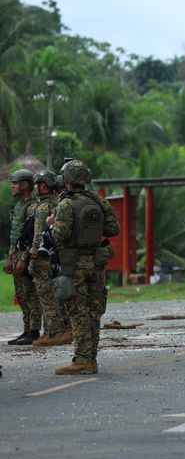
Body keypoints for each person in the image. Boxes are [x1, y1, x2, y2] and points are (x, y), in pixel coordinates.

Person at [47, 160, 120, 375]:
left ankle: (82, 360)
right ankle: (92, 359)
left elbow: (60, 234)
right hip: (97, 264)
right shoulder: (99, 202)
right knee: (93, 312)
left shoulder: (66, 204)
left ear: (66, 180)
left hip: (74, 265)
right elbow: (114, 229)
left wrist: (51, 225)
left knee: (78, 313)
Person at [29, 170, 72, 347]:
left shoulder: (42, 207)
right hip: (58, 257)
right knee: (57, 295)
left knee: (46, 296)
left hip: (43, 257)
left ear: (43, 185)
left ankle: (53, 332)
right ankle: (59, 329)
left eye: (37, 185)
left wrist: (33, 256)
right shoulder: (60, 202)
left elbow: (39, 236)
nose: (36, 189)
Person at [6, 169, 40, 346]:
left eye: (15, 183)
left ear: (25, 185)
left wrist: (23, 258)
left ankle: (34, 331)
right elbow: (15, 234)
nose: (12, 187)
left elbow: (32, 235)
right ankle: (27, 330)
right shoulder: (20, 205)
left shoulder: (32, 207)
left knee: (30, 294)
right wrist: (11, 257)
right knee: (21, 295)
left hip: (26, 255)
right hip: (16, 254)